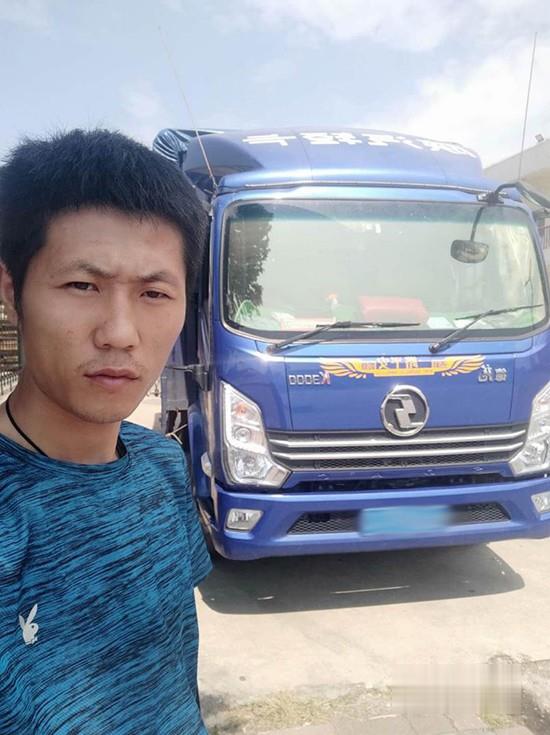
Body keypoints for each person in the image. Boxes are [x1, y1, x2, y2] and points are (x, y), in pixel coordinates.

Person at [0, 129, 213, 735]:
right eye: (82, 285)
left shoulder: (161, 464)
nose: (120, 333)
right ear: (12, 292)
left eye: (154, 293)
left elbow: (175, 660)